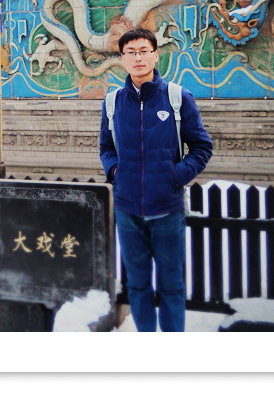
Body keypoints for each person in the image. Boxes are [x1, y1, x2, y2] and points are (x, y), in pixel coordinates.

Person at [99, 27, 212, 332]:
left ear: (155, 55)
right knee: (137, 284)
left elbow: (202, 147)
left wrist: (176, 175)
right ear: (122, 58)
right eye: (131, 52)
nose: (138, 58)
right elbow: (106, 148)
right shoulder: (112, 103)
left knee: (171, 284)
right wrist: (115, 172)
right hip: (127, 209)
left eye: (143, 51)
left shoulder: (177, 98)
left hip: (167, 209)